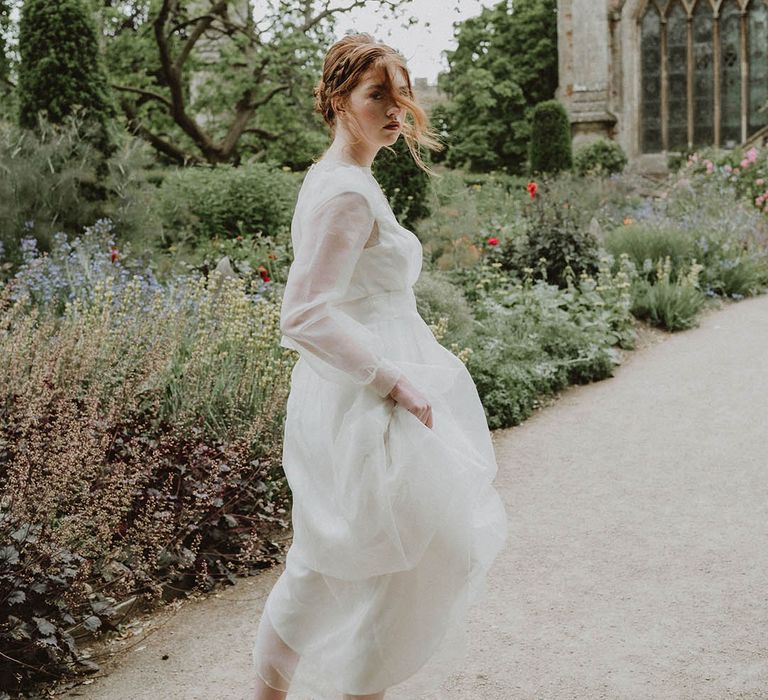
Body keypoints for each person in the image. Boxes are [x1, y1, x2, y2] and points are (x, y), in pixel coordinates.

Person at [252, 33, 508, 700]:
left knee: (390, 553)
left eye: (401, 96)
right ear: (338, 100)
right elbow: (303, 313)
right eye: (378, 97)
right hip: (368, 396)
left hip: (369, 386)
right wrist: (392, 379)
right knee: (382, 552)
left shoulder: (345, 178)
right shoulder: (347, 192)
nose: (397, 111)